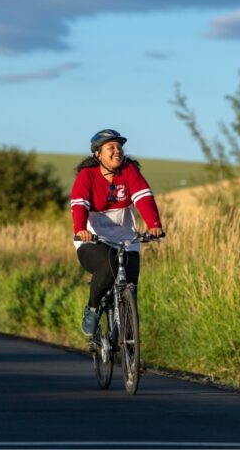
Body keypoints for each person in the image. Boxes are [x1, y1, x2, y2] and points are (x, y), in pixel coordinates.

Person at [71, 129, 164, 336]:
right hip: (93, 239)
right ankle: (92, 309)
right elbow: (79, 205)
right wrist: (80, 230)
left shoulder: (129, 171)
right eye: (110, 147)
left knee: (131, 292)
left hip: (126, 239)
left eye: (119, 147)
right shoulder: (87, 176)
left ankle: (131, 354)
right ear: (98, 154)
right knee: (108, 264)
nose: (117, 151)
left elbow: (143, 197)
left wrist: (154, 224)